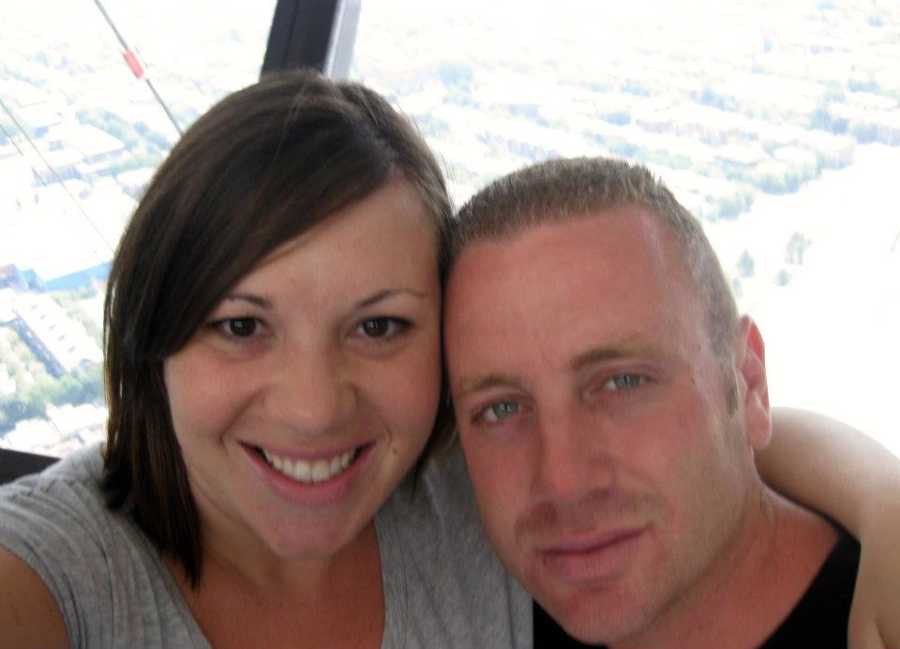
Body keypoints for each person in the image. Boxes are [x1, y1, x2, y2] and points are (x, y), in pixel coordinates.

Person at [0, 71, 896, 649]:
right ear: (152, 334)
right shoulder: (66, 573)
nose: (314, 407)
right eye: (240, 325)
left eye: (380, 326)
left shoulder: (483, 513)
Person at [444, 156, 899, 649]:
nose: (564, 482)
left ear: (748, 382)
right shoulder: (475, 594)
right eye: (501, 409)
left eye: (622, 383)